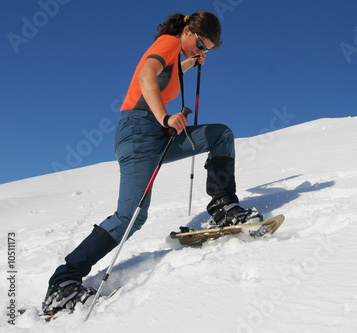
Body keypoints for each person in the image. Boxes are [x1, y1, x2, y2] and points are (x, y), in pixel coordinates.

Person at [42, 11, 261, 315]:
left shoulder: (177, 54)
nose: (201, 50)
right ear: (187, 31)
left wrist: (190, 62)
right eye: (199, 44)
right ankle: (63, 283)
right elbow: (147, 75)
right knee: (130, 216)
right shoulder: (168, 42)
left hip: (157, 133)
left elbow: (168, 75)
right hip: (139, 131)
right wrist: (165, 117)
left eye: (206, 49)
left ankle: (223, 206)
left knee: (220, 135)